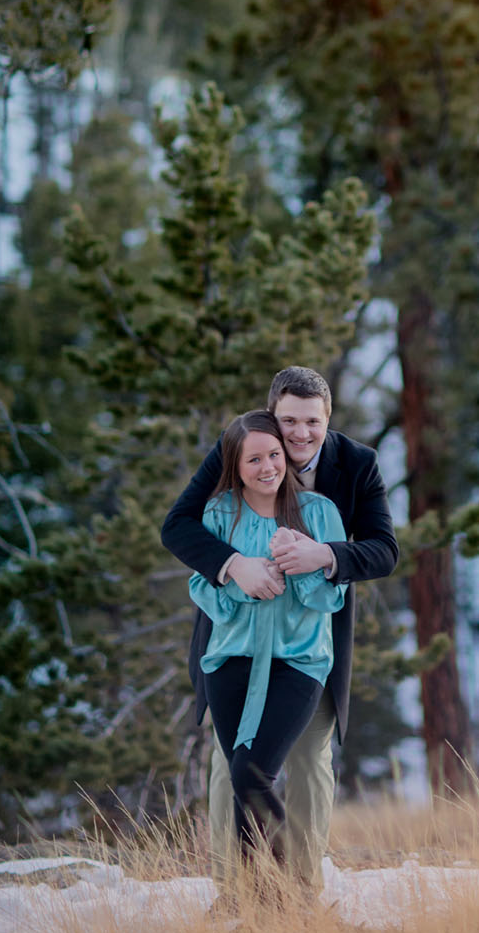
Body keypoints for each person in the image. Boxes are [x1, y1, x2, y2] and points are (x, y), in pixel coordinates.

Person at [161, 366, 397, 895]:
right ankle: (233, 892)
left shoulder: (356, 466)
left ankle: (302, 888)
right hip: (236, 636)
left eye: (311, 421)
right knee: (231, 760)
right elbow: (178, 526)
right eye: (288, 419)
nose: (298, 434)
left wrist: (325, 555)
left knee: (311, 757)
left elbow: (384, 551)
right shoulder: (245, 448)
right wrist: (231, 565)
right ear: (272, 414)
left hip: (309, 643)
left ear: (327, 420)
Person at [188, 408, 349, 886]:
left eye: (274, 455)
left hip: (299, 664)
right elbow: (202, 590)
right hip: (230, 662)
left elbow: (330, 597)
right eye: (253, 459)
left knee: (254, 774)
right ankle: (246, 899)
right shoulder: (218, 513)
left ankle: (288, 892)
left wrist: (299, 565)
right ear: (236, 466)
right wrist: (243, 578)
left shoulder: (320, 512)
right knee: (241, 779)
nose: (267, 467)